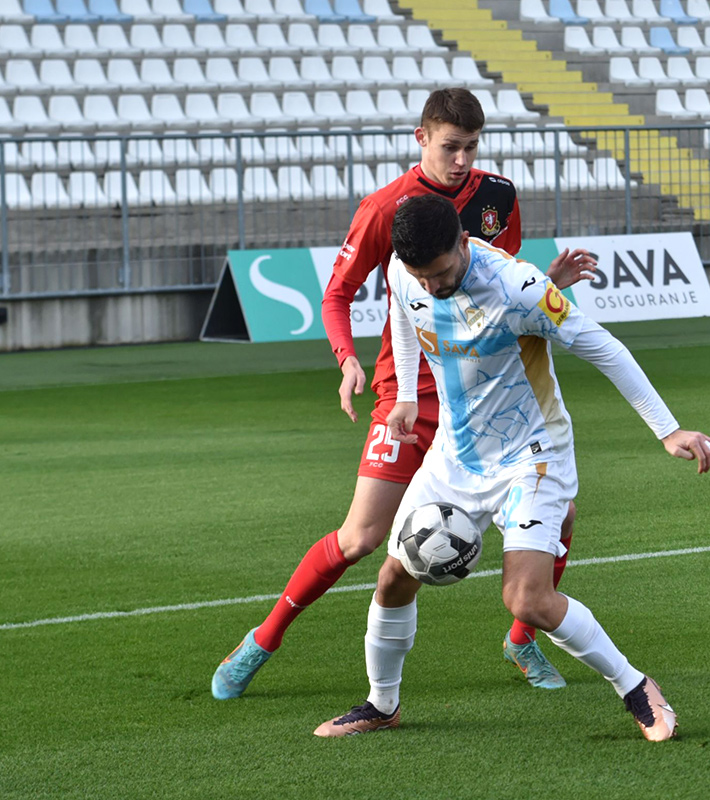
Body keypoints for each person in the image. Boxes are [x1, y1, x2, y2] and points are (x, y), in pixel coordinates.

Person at [211, 88, 600, 699]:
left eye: (473, 146)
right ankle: (262, 639)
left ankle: (522, 637)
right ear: (421, 138)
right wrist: (347, 362)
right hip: (409, 396)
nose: (464, 159)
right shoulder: (387, 208)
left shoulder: (498, 197)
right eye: (452, 146)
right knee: (362, 538)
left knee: (564, 516)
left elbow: (500, 287)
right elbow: (337, 295)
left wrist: (547, 286)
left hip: (488, 397)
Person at [313, 195, 710, 741]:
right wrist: (406, 392)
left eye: (442, 273)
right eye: (421, 277)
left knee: (527, 599)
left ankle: (636, 687)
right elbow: (404, 319)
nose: (432, 286)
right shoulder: (405, 271)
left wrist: (668, 430)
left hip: (532, 455)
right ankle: (382, 705)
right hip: (455, 456)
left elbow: (603, 347)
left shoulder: (518, 287)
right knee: (393, 577)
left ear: (463, 242)